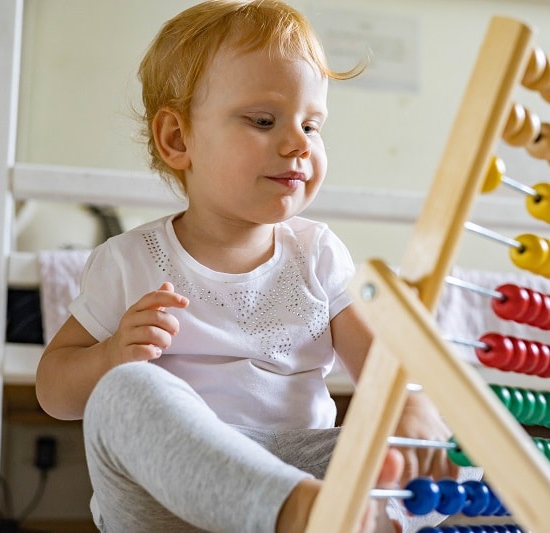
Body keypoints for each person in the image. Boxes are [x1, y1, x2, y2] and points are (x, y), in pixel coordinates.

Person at [35, 1, 458, 531]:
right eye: (264, 120)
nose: (299, 143)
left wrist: (412, 407)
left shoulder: (318, 253)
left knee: (444, 459)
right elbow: (53, 392)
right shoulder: (129, 261)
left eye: (313, 124)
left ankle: (354, 515)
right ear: (178, 139)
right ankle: (314, 515)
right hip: (169, 493)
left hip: (300, 466)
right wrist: (109, 358)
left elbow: (381, 365)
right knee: (123, 395)